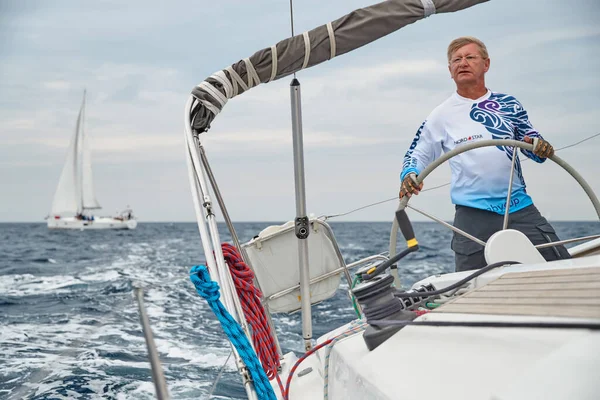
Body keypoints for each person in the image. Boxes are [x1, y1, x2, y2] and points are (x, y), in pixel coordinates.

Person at [399, 36, 570, 272]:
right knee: (470, 286)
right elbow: (417, 153)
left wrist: (540, 145)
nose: (463, 63)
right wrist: (409, 174)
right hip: (472, 215)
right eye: (456, 60)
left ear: (486, 64)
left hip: (518, 206)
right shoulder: (441, 115)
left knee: (563, 268)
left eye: (470, 57)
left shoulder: (508, 104)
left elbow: (536, 148)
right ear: (450, 70)